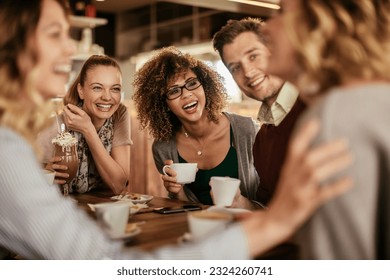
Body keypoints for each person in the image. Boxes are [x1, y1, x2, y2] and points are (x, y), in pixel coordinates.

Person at [0, 0, 352, 260]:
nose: (68, 47)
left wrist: (267, 217)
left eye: (191, 84)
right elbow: (108, 262)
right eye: (55, 33)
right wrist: (275, 221)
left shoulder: (257, 129)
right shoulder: (12, 147)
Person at [263, 0, 390, 259]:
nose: (266, 28)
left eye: (280, 12)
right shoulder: (373, 101)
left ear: (321, 24)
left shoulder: (335, 114)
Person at [132, 46, 260, 209]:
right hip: (199, 229)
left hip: (250, 229)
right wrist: (177, 193)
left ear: (205, 85)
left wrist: (241, 203)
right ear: (163, 104)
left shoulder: (246, 130)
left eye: (192, 83)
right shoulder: (163, 148)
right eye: (173, 91)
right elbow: (188, 210)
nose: (186, 94)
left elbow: (273, 205)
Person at [213, 17, 307, 206]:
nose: (247, 72)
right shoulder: (263, 137)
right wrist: (243, 204)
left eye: (253, 56)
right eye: (236, 67)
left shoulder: (315, 109)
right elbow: (272, 209)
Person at [38, 54, 132, 195]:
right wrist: (44, 172)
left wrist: (88, 131)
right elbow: (22, 175)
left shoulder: (119, 114)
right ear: (81, 91)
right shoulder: (58, 125)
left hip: (103, 208)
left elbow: (119, 184)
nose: (107, 97)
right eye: (97, 88)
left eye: (115, 89)